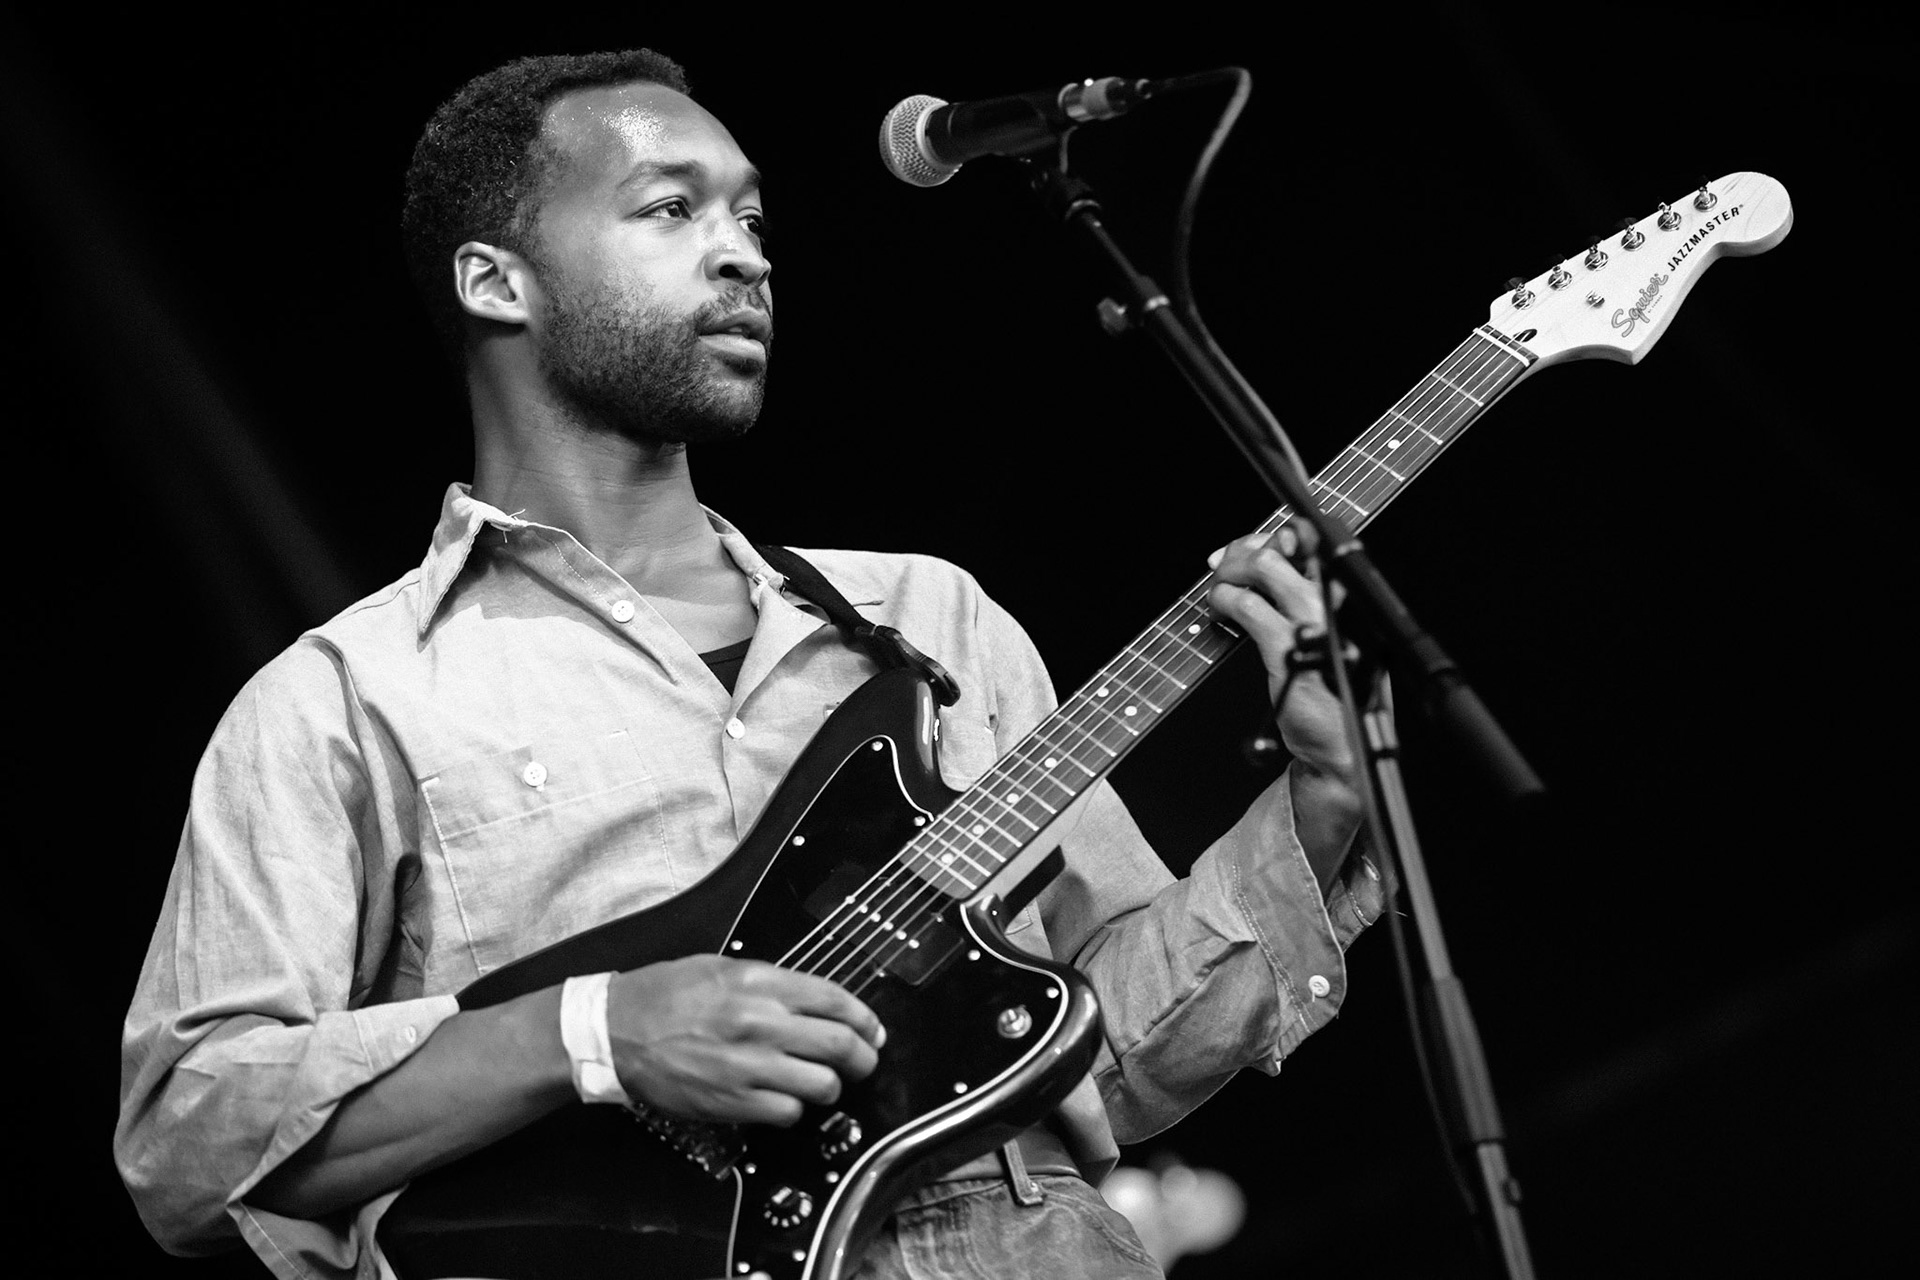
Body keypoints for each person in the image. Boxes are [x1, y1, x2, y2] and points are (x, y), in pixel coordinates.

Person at [115, 48, 1385, 1280]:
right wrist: (594, 1032)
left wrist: (1319, 816)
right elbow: (188, 1136)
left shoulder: (927, 613)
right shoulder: (346, 694)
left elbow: (1108, 1062)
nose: (744, 253)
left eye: (754, 219)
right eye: (671, 208)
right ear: (497, 282)